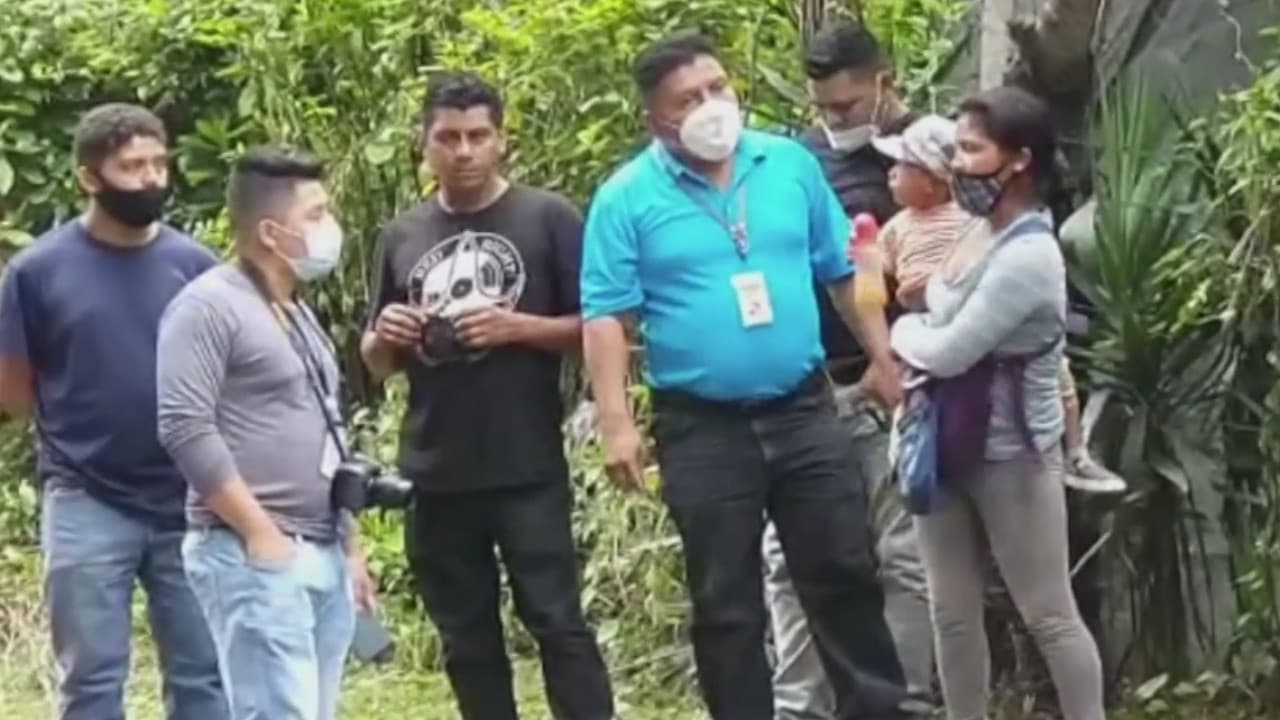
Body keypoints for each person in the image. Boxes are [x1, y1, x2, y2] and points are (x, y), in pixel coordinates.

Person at [581, 31, 908, 720]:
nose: (710, 106)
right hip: (701, 426)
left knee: (844, 573)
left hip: (805, 408)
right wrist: (616, 424)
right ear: (655, 120)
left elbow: (841, 271)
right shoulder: (625, 198)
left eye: (717, 87)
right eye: (687, 99)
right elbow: (606, 315)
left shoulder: (787, 164)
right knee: (725, 599)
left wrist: (883, 357)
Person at [360, 72, 613, 720]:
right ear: (425, 144)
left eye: (478, 136)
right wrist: (385, 335)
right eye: (448, 138)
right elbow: (377, 363)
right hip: (435, 468)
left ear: (502, 140)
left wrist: (517, 328)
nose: (464, 151)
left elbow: (600, 329)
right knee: (466, 637)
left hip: (526, 463)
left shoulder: (549, 217)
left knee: (557, 622)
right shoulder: (403, 234)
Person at [0, 103, 226, 720]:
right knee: (92, 678)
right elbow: (13, 392)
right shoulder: (36, 272)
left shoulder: (198, 267)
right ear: (88, 177)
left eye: (159, 164)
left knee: (205, 675)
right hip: (85, 499)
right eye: (131, 167)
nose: (151, 178)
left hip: (190, 499)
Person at [889, 86, 1105, 720]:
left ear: (1019, 160)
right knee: (950, 611)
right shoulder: (977, 230)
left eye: (971, 150)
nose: (957, 164)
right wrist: (921, 327)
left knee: (1049, 614)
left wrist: (901, 335)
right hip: (941, 440)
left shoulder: (1031, 255)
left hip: (1013, 454)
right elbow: (935, 307)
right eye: (956, 149)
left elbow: (948, 349)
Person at [157, 146, 375, 720]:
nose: (331, 227)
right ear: (272, 233)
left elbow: (327, 430)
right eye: (316, 215)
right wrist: (259, 532)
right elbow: (184, 424)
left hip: (320, 544)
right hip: (252, 550)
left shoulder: (295, 311)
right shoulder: (208, 306)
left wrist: (349, 546)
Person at [760, 20, 935, 719]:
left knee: (905, 555)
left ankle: (904, 701)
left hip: (902, 384)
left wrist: (893, 366)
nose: (835, 120)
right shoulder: (795, 164)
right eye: (823, 108)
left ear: (885, 83)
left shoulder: (927, 155)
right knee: (790, 557)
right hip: (811, 389)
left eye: (848, 105)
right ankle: (801, 706)